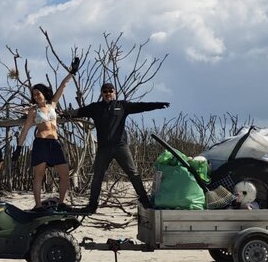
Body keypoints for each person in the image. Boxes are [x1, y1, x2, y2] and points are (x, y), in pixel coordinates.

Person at [65, 82, 169, 214]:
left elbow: (141, 106)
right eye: (105, 91)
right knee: (97, 177)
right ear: (102, 94)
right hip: (104, 149)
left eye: (110, 91)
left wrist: (159, 105)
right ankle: (92, 205)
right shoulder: (95, 107)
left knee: (133, 174)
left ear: (115, 93)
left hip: (121, 147)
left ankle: (145, 202)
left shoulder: (122, 106)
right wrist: (65, 114)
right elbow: (78, 112)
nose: (108, 93)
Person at [16, 68, 76, 210]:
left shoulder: (52, 105)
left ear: (44, 93)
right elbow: (25, 129)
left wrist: (72, 72)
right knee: (39, 175)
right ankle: (38, 205)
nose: (36, 96)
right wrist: (18, 148)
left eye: (38, 93)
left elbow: (63, 86)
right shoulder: (33, 111)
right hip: (41, 143)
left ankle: (61, 202)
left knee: (64, 174)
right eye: (34, 94)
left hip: (54, 143)